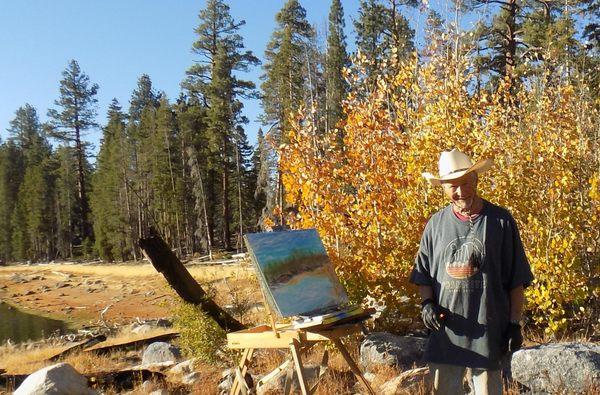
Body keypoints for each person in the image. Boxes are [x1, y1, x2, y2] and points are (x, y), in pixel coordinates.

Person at [409, 149, 534, 395]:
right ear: (443, 187)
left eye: (466, 182)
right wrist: (426, 304)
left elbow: (516, 279)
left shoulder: (500, 221)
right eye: (452, 186)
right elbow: (423, 273)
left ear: (476, 179)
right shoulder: (435, 224)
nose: (461, 191)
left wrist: (514, 323)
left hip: (489, 332)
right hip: (446, 334)